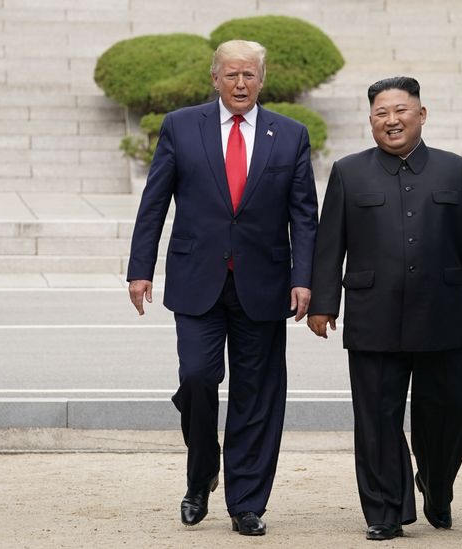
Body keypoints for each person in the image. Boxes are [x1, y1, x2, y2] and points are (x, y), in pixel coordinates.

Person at [127, 40, 318, 536]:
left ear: (261, 79)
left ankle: (246, 503)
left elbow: (304, 215)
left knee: (257, 395)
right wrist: (139, 268)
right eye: (231, 75)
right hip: (197, 279)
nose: (240, 84)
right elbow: (155, 203)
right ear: (214, 78)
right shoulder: (180, 126)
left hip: (264, 282)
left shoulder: (290, 135)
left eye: (249, 75)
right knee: (196, 378)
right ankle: (202, 470)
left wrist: (304, 279)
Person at [307, 76, 462, 541]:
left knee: (456, 403)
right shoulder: (348, 172)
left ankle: (437, 483)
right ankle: (384, 510)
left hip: (444, 314)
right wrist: (322, 303)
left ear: (421, 114)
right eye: (381, 113)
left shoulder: (454, 170)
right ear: (371, 120)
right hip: (372, 314)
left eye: (400, 110)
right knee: (376, 419)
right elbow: (329, 243)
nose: (391, 120)